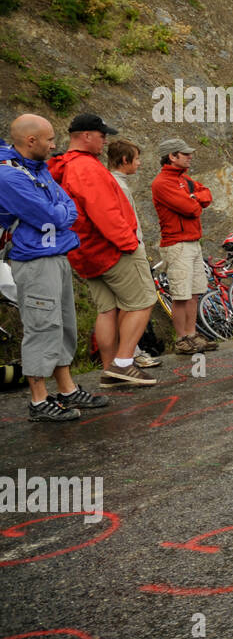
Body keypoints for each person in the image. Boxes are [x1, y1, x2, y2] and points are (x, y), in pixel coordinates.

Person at [0, 114, 107, 421]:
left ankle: (67, 388)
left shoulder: (37, 168)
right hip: (32, 261)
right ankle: (38, 400)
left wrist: (59, 212)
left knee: (63, 326)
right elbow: (55, 216)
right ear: (30, 140)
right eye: (48, 140)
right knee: (41, 327)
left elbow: (68, 207)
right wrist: (59, 213)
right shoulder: (8, 176)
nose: (53, 145)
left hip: (56, 256)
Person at [47, 113, 159, 387]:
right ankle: (123, 364)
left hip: (83, 252)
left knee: (107, 310)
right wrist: (128, 243)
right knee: (143, 301)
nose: (105, 140)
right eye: (101, 135)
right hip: (110, 249)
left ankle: (110, 369)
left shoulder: (62, 166)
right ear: (86, 136)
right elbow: (104, 210)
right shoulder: (86, 167)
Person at [150, 137, 217, 356]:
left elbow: (207, 194)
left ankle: (191, 334)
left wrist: (193, 196)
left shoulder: (183, 179)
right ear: (172, 156)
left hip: (192, 242)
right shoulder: (162, 183)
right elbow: (191, 209)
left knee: (194, 292)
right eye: (185, 154)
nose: (190, 157)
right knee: (181, 294)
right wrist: (194, 199)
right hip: (176, 244)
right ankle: (181, 339)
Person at [107, 139, 162, 368]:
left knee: (120, 306)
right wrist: (135, 245)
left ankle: (123, 357)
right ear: (124, 160)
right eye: (136, 159)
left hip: (123, 248)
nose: (139, 164)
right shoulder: (117, 184)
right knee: (138, 303)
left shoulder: (114, 182)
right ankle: (128, 356)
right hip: (128, 249)